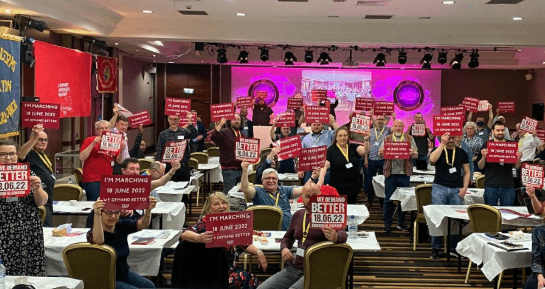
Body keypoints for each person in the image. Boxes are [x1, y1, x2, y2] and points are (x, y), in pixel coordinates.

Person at [257, 182, 347, 289]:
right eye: (308, 197)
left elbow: (343, 235)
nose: (311, 200)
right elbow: (287, 238)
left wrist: (336, 236)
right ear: (302, 198)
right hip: (296, 267)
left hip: (318, 270)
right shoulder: (298, 215)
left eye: (315, 196)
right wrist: (284, 248)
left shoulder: (328, 214)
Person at [180, 192, 266, 288]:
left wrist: (259, 252)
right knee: (249, 280)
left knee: (251, 279)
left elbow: (243, 243)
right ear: (209, 208)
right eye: (216, 204)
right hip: (207, 272)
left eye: (223, 203)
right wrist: (199, 238)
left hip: (227, 270)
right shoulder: (204, 224)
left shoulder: (232, 224)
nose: (221, 206)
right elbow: (184, 234)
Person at [0, 139, 48, 276]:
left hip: (29, 231)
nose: (8, 158)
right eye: (3, 154)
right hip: (3, 231)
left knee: (30, 273)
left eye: (12, 154)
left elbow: (42, 202)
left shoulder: (27, 173)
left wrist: (38, 188)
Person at [88, 197, 157, 289]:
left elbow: (141, 225)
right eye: (108, 213)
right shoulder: (94, 233)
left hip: (123, 274)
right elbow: (99, 241)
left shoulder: (121, 226)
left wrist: (148, 211)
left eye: (116, 212)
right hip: (106, 279)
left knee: (149, 286)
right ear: (101, 214)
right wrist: (96, 214)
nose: (113, 216)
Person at [241, 162, 320, 230]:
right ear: (262, 180)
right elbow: (245, 188)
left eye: (274, 178)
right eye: (268, 178)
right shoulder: (258, 191)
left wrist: (312, 178)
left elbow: (305, 190)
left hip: (286, 229)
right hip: (266, 230)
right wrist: (244, 172)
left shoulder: (284, 190)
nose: (271, 181)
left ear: (277, 180)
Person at [428, 133, 470, 259]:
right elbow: (432, 160)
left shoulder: (462, 152)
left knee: (455, 220)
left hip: (456, 188)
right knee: (437, 218)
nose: (451, 140)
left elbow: (467, 171)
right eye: (448, 138)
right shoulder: (438, 149)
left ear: (457, 138)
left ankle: (453, 248)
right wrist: (442, 144)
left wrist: (465, 187)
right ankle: (435, 247)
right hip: (439, 187)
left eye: (453, 138)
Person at [378, 120, 418, 232]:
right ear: (393, 127)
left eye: (400, 126)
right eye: (395, 126)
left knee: (403, 200)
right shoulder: (387, 139)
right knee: (388, 199)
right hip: (390, 173)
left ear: (403, 127)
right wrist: (381, 153)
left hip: (404, 174)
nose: (398, 128)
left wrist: (413, 153)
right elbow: (380, 154)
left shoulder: (409, 138)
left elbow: (416, 154)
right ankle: (387, 224)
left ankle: (401, 223)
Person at [18, 124, 55, 227]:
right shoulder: (30, 153)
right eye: (40, 139)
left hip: (47, 199)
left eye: (45, 140)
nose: (43, 142)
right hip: (37, 202)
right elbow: (20, 154)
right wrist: (34, 137)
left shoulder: (42, 154)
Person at [319, 126, 368, 204]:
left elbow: (365, 151)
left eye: (345, 135)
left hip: (353, 185)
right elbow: (325, 165)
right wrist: (321, 179)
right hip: (338, 186)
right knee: (339, 210)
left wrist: (366, 140)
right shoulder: (331, 149)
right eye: (340, 136)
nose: (343, 138)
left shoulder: (353, 147)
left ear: (348, 137)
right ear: (336, 137)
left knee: (351, 208)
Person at [477, 121, 522, 206]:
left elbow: (516, 167)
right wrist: (483, 157)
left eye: (502, 130)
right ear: (492, 131)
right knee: (490, 213)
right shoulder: (486, 145)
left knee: (508, 214)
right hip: (491, 184)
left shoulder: (511, 145)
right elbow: (480, 166)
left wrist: (518, 158)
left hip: (508, 185)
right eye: (498, 130)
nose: (500, 132)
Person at [80, 120, 125, 201]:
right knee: (95, 204)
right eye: (101, 128)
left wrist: (121, 151)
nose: (104, 130)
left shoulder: (114, 141)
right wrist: (93, 144)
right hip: (92, 180)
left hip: (108, 179)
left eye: (106, 128)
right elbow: (81, 157)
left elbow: (119, 161)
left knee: (107, 205)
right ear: (97, 130)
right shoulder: (89, 140)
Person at [298, 114, 339, 183]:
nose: (316, 127)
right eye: (314, 125)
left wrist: (333, 123)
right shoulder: (306, 138)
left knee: (325, 192)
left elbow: (339, 133)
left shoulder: (329, 134)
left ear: (322, 125)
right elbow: (302, 155)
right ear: (310, 125)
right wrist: (301, 169)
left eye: (318, 125)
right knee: (308, 191)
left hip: (326, 171)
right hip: (310, 171)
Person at [156, 113, 197, 182]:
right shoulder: (163, 134)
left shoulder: (185, 132)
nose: (173, 121)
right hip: (169, 168)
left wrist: (190, 122)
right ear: (168, 120)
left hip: (183, 166)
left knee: (184, 190)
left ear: (179, 120)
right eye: (171, 119)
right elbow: (159, 151)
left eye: (175, 119)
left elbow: (194, 134)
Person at [364, 113, 392, 207]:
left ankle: (382, 201)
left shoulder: (388, 130)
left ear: (385, 121)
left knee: (382, 181)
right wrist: (366, 159)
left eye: (381, 119)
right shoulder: (370, 131)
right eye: (378, 119)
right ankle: (370, 200)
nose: (380, 121)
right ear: (375, 121)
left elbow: (396, 129)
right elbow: (366, 147)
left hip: (383, 159)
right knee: (370, 180)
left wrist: (395, 117)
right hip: (371, 159)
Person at [210, 115, 243, 194]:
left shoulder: (242, 134)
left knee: (239, 194)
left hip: (241, 169)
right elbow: (214, 137)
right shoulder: (224, 131)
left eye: (239, 119)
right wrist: (221, 124)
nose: (237, 121)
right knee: (229, 193)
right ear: (230, 121)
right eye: (234, 119)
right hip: (229, 170)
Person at [523, 209, 545, 289]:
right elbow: (536, 259)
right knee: (531, 283)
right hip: (543, 269)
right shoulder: (538, 231)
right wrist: (540, 276)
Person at [109, 110, 130, 174]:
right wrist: (115, 115)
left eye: (126, 125)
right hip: (116, 165)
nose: (124, 127)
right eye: (122, 124)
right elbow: (109, 126)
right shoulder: (112, 133)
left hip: (125, 163)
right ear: (117, 124)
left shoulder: (124, 134)